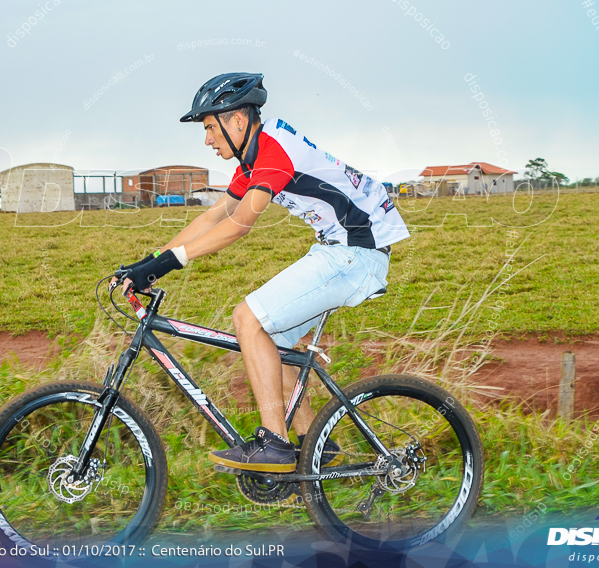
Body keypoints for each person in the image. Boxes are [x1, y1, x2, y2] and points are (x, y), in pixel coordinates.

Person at [118, 72, 410, 473]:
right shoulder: (254, 155)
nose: (207, 140)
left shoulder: (273, 149)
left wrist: (164, 266)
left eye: (209, 128)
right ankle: (315, 449)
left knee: (247, 319)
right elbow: (214, 215)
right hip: (341, 250)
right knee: (268, 342)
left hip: (356, 254)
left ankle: (274, 444)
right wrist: (149, 262)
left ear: (237, 120)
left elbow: (238, 226)